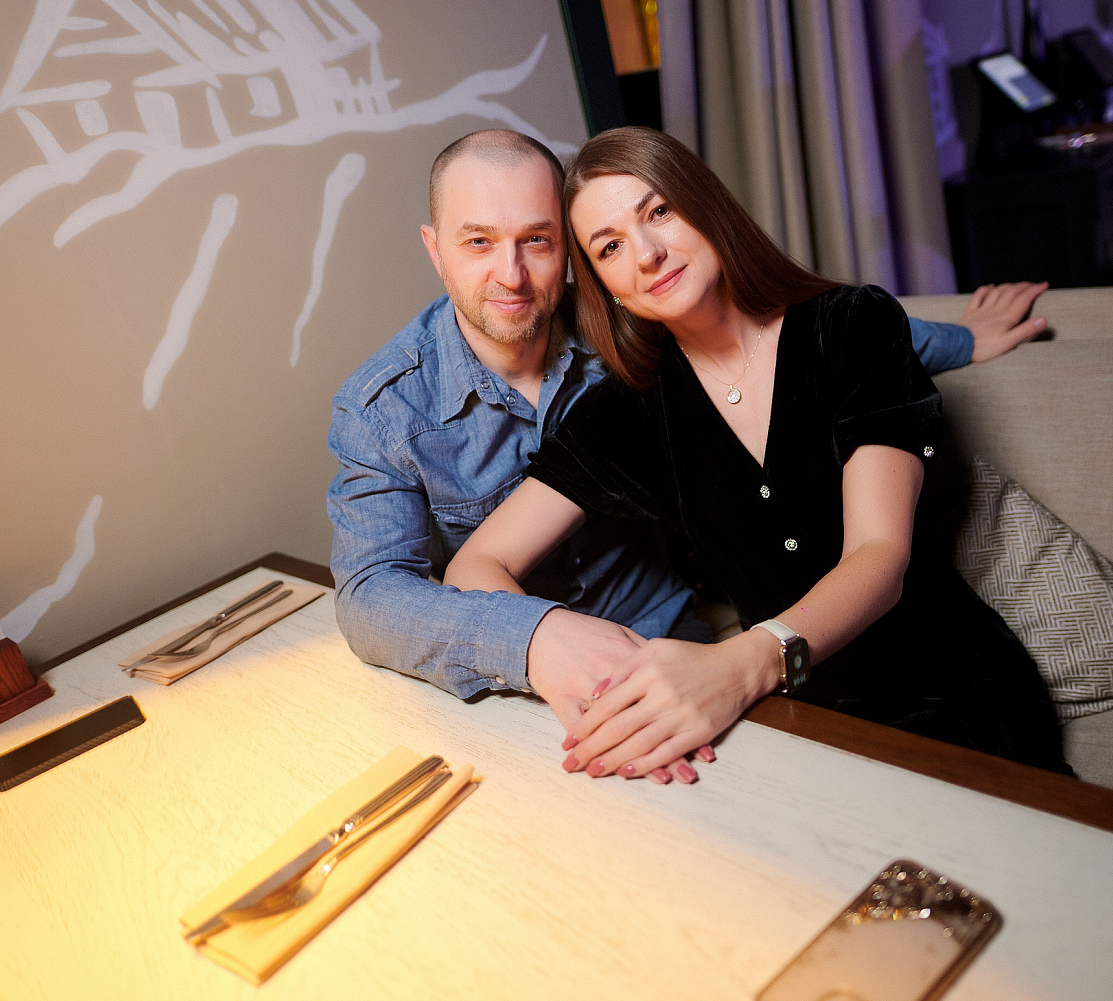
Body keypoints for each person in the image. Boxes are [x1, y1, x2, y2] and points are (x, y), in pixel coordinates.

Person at [443, 126, 1070, 787]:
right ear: (606, 286)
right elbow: (474, 564)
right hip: (797, 723)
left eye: (660, 212)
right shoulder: (630, 410)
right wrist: (556, 648)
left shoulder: (850, 326)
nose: (648, 254)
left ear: (706, 205)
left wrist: (740, 665)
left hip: (952, 692)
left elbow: (879, 556)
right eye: (611, 247)